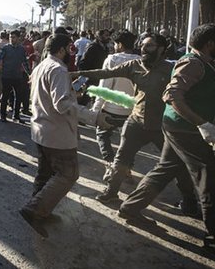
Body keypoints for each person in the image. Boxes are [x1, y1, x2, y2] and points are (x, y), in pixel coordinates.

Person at [119, 24, 215, 261]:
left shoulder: (201, 62)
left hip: (180, 128)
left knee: (165, 169)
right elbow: (172, 95)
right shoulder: (193, 62)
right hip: (186, 130)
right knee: (210, 179)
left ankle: (130, 207)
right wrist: (202, 124)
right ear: (209, 42)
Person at [71, 34, 197, 212]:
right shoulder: (133, 65)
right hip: (136, 122)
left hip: (162, 125)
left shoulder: (171, 69)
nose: (144, 49)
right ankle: (111, 192)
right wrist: (77, 73)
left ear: (161, 49)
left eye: (150, 46)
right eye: (143, 45)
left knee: (176, 163)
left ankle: (189, 200)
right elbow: (106, 73)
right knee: (122, 158)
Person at [20, 33, 112, 238]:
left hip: (42, 130)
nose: (73, 53)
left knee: (45, 174)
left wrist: (73, 92)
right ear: (61, 50)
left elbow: (50, 96)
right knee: (68, 174)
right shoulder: (58, 70)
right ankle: (35, 209)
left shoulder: (42, 66)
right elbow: (61, 104)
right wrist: (93, 117)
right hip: (56, 133)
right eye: (70, 49)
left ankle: (40, 211)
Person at [91, 30, 140, 164]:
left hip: (111, 109)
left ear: (120, 45)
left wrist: (95, 110)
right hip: (132, 110)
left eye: (115, 44)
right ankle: (126, 166)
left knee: (102, 135)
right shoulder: (140, 61)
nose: (114, 46)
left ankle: (111, 163)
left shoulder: (112, 59)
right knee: (128, 142)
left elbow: (104, 86)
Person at [0, 30, 30, 123]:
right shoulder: (5, 48)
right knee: (5, 96)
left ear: (18, 38)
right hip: (6, 75)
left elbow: (24, 63)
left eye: (14, 37)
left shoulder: (21, 49)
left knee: (18, 96)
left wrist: (29, 74)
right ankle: (3, 115)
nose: (12, 39)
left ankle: (16, 116)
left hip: (17, 76)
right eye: (10, 37)